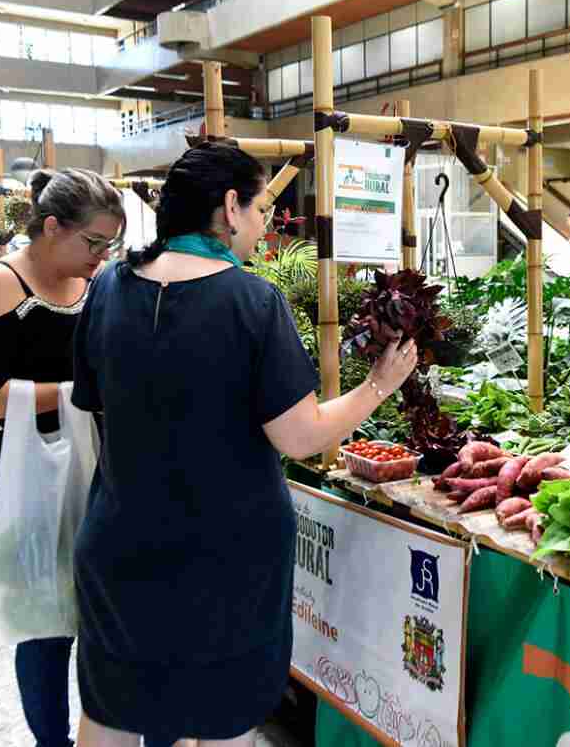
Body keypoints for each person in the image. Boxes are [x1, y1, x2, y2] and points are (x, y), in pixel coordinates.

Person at [69, 142, 419, 746]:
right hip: (226, 553)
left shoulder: (108, 290)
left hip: (121, 537)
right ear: (230, 207)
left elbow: (99, 405)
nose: (262, 228)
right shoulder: (253, 301)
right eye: (260, 211)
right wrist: (378, 386)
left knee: (113, 704)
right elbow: (301, 436)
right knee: (221, 713)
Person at [0, 168, 170, 747]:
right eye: (92, 243)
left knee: (105, 614)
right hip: (31, 470)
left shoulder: (94, 285)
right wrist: (74, 394)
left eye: (109, 246)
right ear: (51, 226)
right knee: (45, 628)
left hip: (99, 467)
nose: (100, 257)